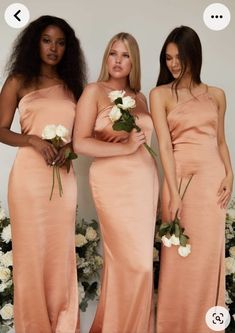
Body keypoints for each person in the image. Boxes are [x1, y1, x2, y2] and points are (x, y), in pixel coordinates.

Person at [0, 15, 86, 333]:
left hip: (63, 179)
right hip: (29, 179)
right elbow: (0, 128)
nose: (53, 48)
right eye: (47, 40)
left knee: (59, 252)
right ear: (35, 42)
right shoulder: (19, 79)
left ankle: (63, 325)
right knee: (31, 254)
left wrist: (70, 148)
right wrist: (32, 140)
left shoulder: (73, 87)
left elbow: (83, 135)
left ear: (69, 48)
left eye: (60, 42)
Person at [150, 25, 233, 333]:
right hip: (180, 183)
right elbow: (166, 150)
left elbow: (221, 141)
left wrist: (230, 174)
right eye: (168, 58)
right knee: (178, 260)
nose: (173, 64)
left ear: (194, 56)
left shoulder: (216, 95)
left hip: (212, 184)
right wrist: (173, 193)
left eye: (179, 57)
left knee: (208, 258)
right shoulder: (160, 94)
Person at [73, 32, 159, 333]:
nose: (118, 60)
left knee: (139, 262)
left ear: (133, 61)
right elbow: (80, 143)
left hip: (144, 181)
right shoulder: (93, 91)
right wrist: (124, 147)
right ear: (106, 58)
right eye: (113, 53)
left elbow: (147, 141)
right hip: (112, 182)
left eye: (125, 55)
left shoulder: (142, 98)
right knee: (129, 262)